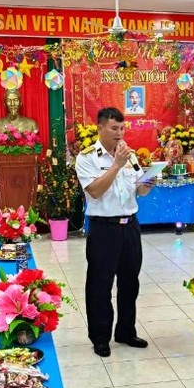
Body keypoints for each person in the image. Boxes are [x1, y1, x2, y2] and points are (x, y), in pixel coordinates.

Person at [75, 107, 154, 357]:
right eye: (114, 129)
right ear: (100, 128)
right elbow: (95, 191)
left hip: (130, 225)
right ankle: (100, 337)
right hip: (103, 228)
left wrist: (149, 182)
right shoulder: (87, 157)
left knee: (130, 282)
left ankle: (126, 331)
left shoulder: (130, 155)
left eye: (122, 128)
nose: (120, 134)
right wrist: (116, 165)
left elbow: (140, 191)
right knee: (100, 284)